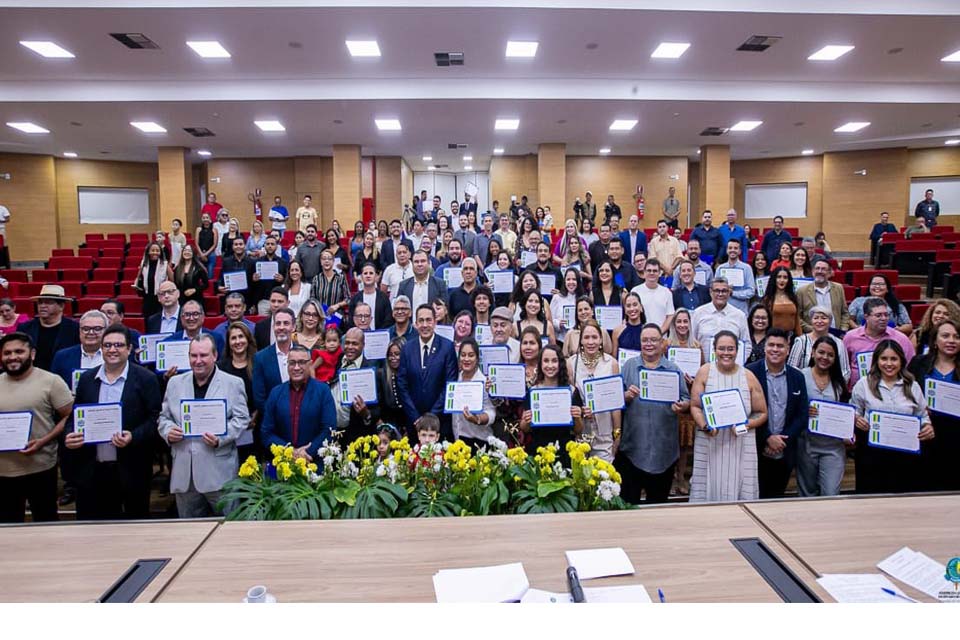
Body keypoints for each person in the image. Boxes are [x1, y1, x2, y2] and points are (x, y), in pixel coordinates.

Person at [64, 325, 160, 520]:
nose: (112, 350)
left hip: (131, 468)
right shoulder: (87, 378)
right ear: (101, 349)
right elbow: (75, 416)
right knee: (92, 527)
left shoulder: (146, 379)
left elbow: (154, 420)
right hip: (92, 468)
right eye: (107, 345)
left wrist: (133, 436)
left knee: (134, 525)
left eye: (118, 345)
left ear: (129, 349)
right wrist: (69, 434)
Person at [158, 334, 249, 517]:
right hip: (185, 475)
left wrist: (220, 439)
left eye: (203, 355)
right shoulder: (175, 383)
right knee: (189, 530)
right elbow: (164, 418)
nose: (198, 361)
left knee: (229, 526)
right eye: (193, 355)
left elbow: (241, 419)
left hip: (220, 473)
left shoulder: (233, 383)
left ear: (215, 356)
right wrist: (168, 432)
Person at [0, 332, 74, 522]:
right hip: (3, 471)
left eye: (19, 351)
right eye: (7, 353)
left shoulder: (51, 381)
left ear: (32, 354)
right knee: (8, 525)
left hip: (41, 467)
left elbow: (70, 416)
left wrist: (43, 441)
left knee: (46, 520)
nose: (12, 357)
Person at [688, 331, 768, 503]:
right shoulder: (704, 372)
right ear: (714, 350)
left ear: (737, 350)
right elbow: (695, 406)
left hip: (740, 444)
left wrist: (746, 425)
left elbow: (762, 413)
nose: (726, 353)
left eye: (730, 349)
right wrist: (705, 425)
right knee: (706, 490)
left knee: (740, 492)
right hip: (710, 441)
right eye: (722, 348)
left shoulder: (748, 376)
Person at [619, 323, 689, 503]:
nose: (649, 344)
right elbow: (617, 399)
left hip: (664, 451)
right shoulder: (628, 366)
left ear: (662, 342)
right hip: (633, 449)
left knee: (658, 508)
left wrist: (682, 405)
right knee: (629, 506)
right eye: (645, 340)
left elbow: (686, 398)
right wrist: (625, 396)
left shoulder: (673, 369)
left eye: (653, 340)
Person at [851, 340, 933, 494]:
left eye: (894, 359)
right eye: (884, 358)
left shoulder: (912, 385)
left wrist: (927, 427)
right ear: (876, 360)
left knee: (902, 497)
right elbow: (854, 411)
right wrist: (857, 419)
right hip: (872, 454)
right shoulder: (864, 384)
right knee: (871, 497)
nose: (889, 364)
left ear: (901, 361)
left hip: (905, 455)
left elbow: (923, 416)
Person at [745, 328, 808, 499]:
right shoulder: (749, 372)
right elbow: (745, 411)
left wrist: (781, 440)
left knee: (777, 498)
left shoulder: (797, 377)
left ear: (788, 350)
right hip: (756, 448)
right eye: (771, 345)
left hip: (785, 449)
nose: (775, 349)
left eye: (780, 346)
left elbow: (802, 415)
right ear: (764, 348)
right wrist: (767, 437)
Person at [260, 343, 336, 465]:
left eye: (301, 362)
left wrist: (307, 452)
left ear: (310, 364)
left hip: (314, 463)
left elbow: (329, 429)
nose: (296, 367)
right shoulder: (276, 393)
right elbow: (266, 432)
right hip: (284, 464)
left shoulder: (323, 391)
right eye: (292, 363)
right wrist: (290, 452)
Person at [908, 320, 960, 491]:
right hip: (925, 435)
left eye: (956, 337)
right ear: (935, 341)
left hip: (956, 438)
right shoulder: (918, 363)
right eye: (945, 336)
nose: (951, 340)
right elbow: (905, 393)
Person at [397, 304, 458, 442]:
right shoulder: (407, 348)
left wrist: (431, 417)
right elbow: (402, 384)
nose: (425, 325)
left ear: (435, 322)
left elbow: (450, 384)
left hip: (440, 422)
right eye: (421, 320)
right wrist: (415, 417)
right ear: (415, 323)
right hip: (414, 422)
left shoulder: (447, 347)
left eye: (428, 320)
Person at [799, 336, 850, 497]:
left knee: (831, 493)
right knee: (807, 492)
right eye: (821, 352)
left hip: (833, 446)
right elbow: (791, 408)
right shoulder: (800, 376)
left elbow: (846, 413)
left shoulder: (839, 382)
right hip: (806, 444)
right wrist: (804, 411)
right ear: (813, 352)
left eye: (830, 355)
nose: (825, 357)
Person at [521, 342, 583, 460]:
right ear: (540, 364)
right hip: (539, 450)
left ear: (560, 364)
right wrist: (526, 420)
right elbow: (525, 428)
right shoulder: (533, 392)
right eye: (546, 361)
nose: (550, 365)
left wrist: (577, 417)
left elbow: (578, 430)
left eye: (554, 361)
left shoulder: (572, 391)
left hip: (565, 450)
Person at [569, 320, 620, 461]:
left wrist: (617, 433)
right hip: (581, 433)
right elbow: (571, 400)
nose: (590, 342)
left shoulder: (611, 363)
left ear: (601, 340)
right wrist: (580, 410)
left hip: (604, 433)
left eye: (594, 337)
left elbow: (616, 404)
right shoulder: (571, 364)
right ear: (581, 341)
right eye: (586, 337)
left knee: (603, 472)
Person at [843, 297, 915, 388]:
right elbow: (844, 366)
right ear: (866, 317)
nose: (883, 318)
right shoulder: (851, 337)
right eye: (878, 315)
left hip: (892, 389)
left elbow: (911, 366)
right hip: (856, 390)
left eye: (886, 315)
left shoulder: (900, 339)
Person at [667, 308, 701, 495]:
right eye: (678, 321)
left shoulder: (696, 346)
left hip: (689, 399)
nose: (682, 325)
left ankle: (681, 477)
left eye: (685, 321)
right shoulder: (666, 345)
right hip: (671, 400)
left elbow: (702, 374)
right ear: (673, 324)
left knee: (685, 444)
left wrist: (694, 381)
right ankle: (671, 478)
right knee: (672, 441)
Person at [217, 322, 258, 461]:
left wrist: (255, 416)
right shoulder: (220, 367)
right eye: (233, 338)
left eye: (241, 336)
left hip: (254, 426)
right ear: (228, 342)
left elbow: (263, 393)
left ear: (248, 339)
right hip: (229, 427)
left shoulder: (258, 364)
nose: (238, 341)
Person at [17, 284, 80, 371]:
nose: (42, 306)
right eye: (40, 302)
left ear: (61, 306)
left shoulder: (74, 329)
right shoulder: (25, 328)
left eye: (48, 302)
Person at [691, 278, 751, 361]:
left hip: (731, 366)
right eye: (717, 291)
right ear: (710, 292)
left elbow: (747, 345)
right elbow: (691, 341)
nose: (720, 294)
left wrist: (737, 363)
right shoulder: (698, 313)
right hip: (703, 365)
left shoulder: (739, 315)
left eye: (724, 291)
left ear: (729, 293)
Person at [450, 339, 496, 451]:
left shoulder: (484, 382)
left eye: (471, 355)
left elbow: (491, 413)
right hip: (458, 439)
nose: (466, 359)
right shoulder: (455, 378)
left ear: (477, 359)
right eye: (463, 355)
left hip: (479, 441)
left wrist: (477, 419)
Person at [788, 306, 851, 382]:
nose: (819, 321)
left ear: (830, 321)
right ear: (811, 321)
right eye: (816, 318)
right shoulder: (801, 341)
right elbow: (791, 368)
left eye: (823, 318)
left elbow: (845, 372)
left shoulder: (838, 343)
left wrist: (834, 386)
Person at [252, 307, 297, 412]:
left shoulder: (305, 354)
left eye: (286, 323)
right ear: (273, 327)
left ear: (294, 327)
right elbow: (259, 399)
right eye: (278, 323)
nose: (281, 327)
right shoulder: (261, 358)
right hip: (272, 418)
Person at [50, 310, 106, 391]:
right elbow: (53, 388)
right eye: (86, 329)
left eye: (97, 329)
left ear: (106, 331)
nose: (91, 332)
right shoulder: (62, 357)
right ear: (80, 331)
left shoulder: (114, 355)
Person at [796, 260, 852, 333]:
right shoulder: (802, 291)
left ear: (829, 273)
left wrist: (843, 330)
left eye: (823, 269)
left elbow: (845, 312)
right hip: (812, 334)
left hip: (836, 334)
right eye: (817, 268)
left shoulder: (838, 288)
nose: (820, 271)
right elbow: (797, 317)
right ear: (813, 271)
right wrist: (813, 330)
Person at [848, 275, 912, 335]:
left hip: (889, 336)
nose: (877, 286)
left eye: (881, 284)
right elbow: (849, 319)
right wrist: (857, 328)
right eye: (874, 284)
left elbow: (908, 326)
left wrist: (897, 330)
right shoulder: (858, 301)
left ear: (887, 289)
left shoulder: (896, 304)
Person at [132, 241, 175, 318]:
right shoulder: (144, 263)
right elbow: (138, 277)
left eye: (157, 251)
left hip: (160, 298)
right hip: (147, 297)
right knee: (147, 319)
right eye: (152, 250)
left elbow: (173, 280)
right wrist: (136, 284)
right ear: (148, 252)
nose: (155, 252)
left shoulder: (165, 264)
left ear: (160, 252)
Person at [632, 258, 674, 333]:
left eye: (655, 271)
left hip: (661, 336)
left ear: (659, 273)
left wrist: (659, 333)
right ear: (644, 272)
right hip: (640, 335)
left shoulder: (667, 292)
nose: (652, 273)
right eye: (649, 270)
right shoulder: (635, 291)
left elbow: (670, 316)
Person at [714, 239, 755, 314]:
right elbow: (715, 290)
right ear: (727, 250)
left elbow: (751, 291)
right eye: (730, 248)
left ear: (740, 251)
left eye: (735, 248)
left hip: (741, 311)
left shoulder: (746, 268)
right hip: (722, 311)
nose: (732, 250)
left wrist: (733, 293)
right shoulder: (720, 268)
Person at [761, 267, 802, 338]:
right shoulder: (767, 299)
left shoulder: (793, 298)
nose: (782, 280)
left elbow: (797, 321)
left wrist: (800, 338)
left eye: (785, 277)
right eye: (779, 277)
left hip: (791, 337)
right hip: (773, 337)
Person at [252, 236, 288, 314]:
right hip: (263, 300)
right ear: (264, 246)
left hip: (279, 300)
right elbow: (252, 284)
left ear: (276, 246)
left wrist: (282, 279)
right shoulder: (257, 262)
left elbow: (288, 281)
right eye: (267, 244)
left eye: (272, 244)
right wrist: (254, 279)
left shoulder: (283, 262)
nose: (270, 246)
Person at [217, 237, 256, 308]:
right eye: (236, 244)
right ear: (232, 247)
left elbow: (255, 284)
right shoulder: (226, 262)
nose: (238, 246)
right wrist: (219, 286)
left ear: (245, 246)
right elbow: (220, 278)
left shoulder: (252, 262)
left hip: (247, 299)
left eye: (240, 244)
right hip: (231, 298)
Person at [551, 270, 585, 345]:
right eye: (568, 279)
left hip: (579, 340)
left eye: (574, 279)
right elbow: (550, 319)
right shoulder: (557, 298)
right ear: (564, 281)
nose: (571, 282)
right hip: (560, 340)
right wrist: (558, 324)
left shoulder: (583, 299)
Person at [195, 212, 219, 279]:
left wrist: (205, 254)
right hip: (200, 253)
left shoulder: (214, 230)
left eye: (207, 217)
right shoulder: (198, 229)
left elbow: (215, 244)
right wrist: (201, 254)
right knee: (199, 275)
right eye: (204, 218)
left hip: (211, 254)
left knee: (210, 275)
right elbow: (196, 243)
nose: (205, 219)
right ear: (201, 219)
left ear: (210, 219)